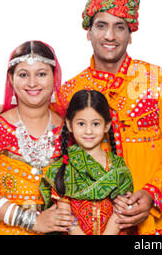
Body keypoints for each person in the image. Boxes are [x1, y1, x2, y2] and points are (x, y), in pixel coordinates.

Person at [0, 0, 162, 235]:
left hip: (156, 222)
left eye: (120, 27)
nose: (110, 36)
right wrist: (5, 107)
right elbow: (39, 117)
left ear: (131, 33)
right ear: (88, 31)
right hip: (92, 226)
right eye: (101, 26)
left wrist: (151, 195)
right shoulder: (70, 91)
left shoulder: (159, 81)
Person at [0, 41, 77, 235]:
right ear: (11, 78)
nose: (32, 83)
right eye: (23, 75)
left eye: (41, 74)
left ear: (54, 76)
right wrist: (33, 221)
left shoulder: (72, 127)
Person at [39, 90, 134, 235]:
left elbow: (121, 209)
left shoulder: (117, 165)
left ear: (107, 126)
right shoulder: (64, 167)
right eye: (81, 123)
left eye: (95, 124)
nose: (88, 131)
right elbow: (64, 215)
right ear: (70, 125)